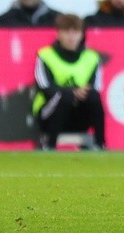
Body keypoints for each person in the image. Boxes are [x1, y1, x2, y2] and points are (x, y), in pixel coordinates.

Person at [32, 13, 106, 150]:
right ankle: (50, 144)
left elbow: (95, 87)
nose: (71, 37)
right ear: (58, 34)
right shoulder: (45, 55)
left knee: (94, 97)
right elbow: (44, 86)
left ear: (82, 35)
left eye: (76, 32)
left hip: (79, 114)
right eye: (66, 32)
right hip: (49, 113)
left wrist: (78, 94)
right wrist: (71, 92)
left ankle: (100, 143)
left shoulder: (92, 57)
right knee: (64, 97)